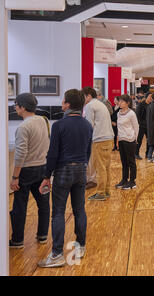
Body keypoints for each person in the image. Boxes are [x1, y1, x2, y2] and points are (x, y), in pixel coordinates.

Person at [38, 89, 93, 268]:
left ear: (67, 104)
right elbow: (88, 152)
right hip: (81, 170)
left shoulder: (59, 125)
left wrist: (46, 176)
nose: (61, 103)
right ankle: (81, 246)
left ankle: (57, 254)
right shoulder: (87, 125)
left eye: (63, 101)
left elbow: (52, 154)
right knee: (79, 210)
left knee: (58, 213)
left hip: (62, 171)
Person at [9, 93, 50, 249]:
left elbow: (20, 154)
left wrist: (15, 177)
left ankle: (17, 240)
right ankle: (43, 235)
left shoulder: (23, 127)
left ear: (23, 107)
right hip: (43, 168)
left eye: (16, 105)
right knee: (44, 204)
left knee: (20, 206)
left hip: (26, 171)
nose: (14, 107)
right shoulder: (44, 121)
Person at [82, 87, 115, 201]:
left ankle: (101, 193)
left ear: (88, 96)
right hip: (108, 138)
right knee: (105, 167)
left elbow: (88, 125)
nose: (83, 99)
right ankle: (106, 190)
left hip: (99, 139)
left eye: (84, 96)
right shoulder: (100, 104)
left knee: (100, 168)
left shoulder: (90, 105)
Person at [115, 94, 140, 190]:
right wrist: (118, 138)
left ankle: (132, 181)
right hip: (121, 139)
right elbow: (119, 127)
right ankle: (124, 179)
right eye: (119, 101)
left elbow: (136, 127)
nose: (119, 103)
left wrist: (135, 139)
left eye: (121, 101)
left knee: (131, 161)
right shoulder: (118, 113)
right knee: (124, 161)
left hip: (130, 140)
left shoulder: (131, 114)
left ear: (127, 103)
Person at [134, 93, 148, 160]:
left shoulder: (151, 105)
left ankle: (148, 154)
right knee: (139, 140)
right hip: (141, 125)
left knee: (149, 140)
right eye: (150, 97)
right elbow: (137, 115)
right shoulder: (141, 105)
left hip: (148, 125)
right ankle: (136, 153)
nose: (151, 98)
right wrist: (139, 124)